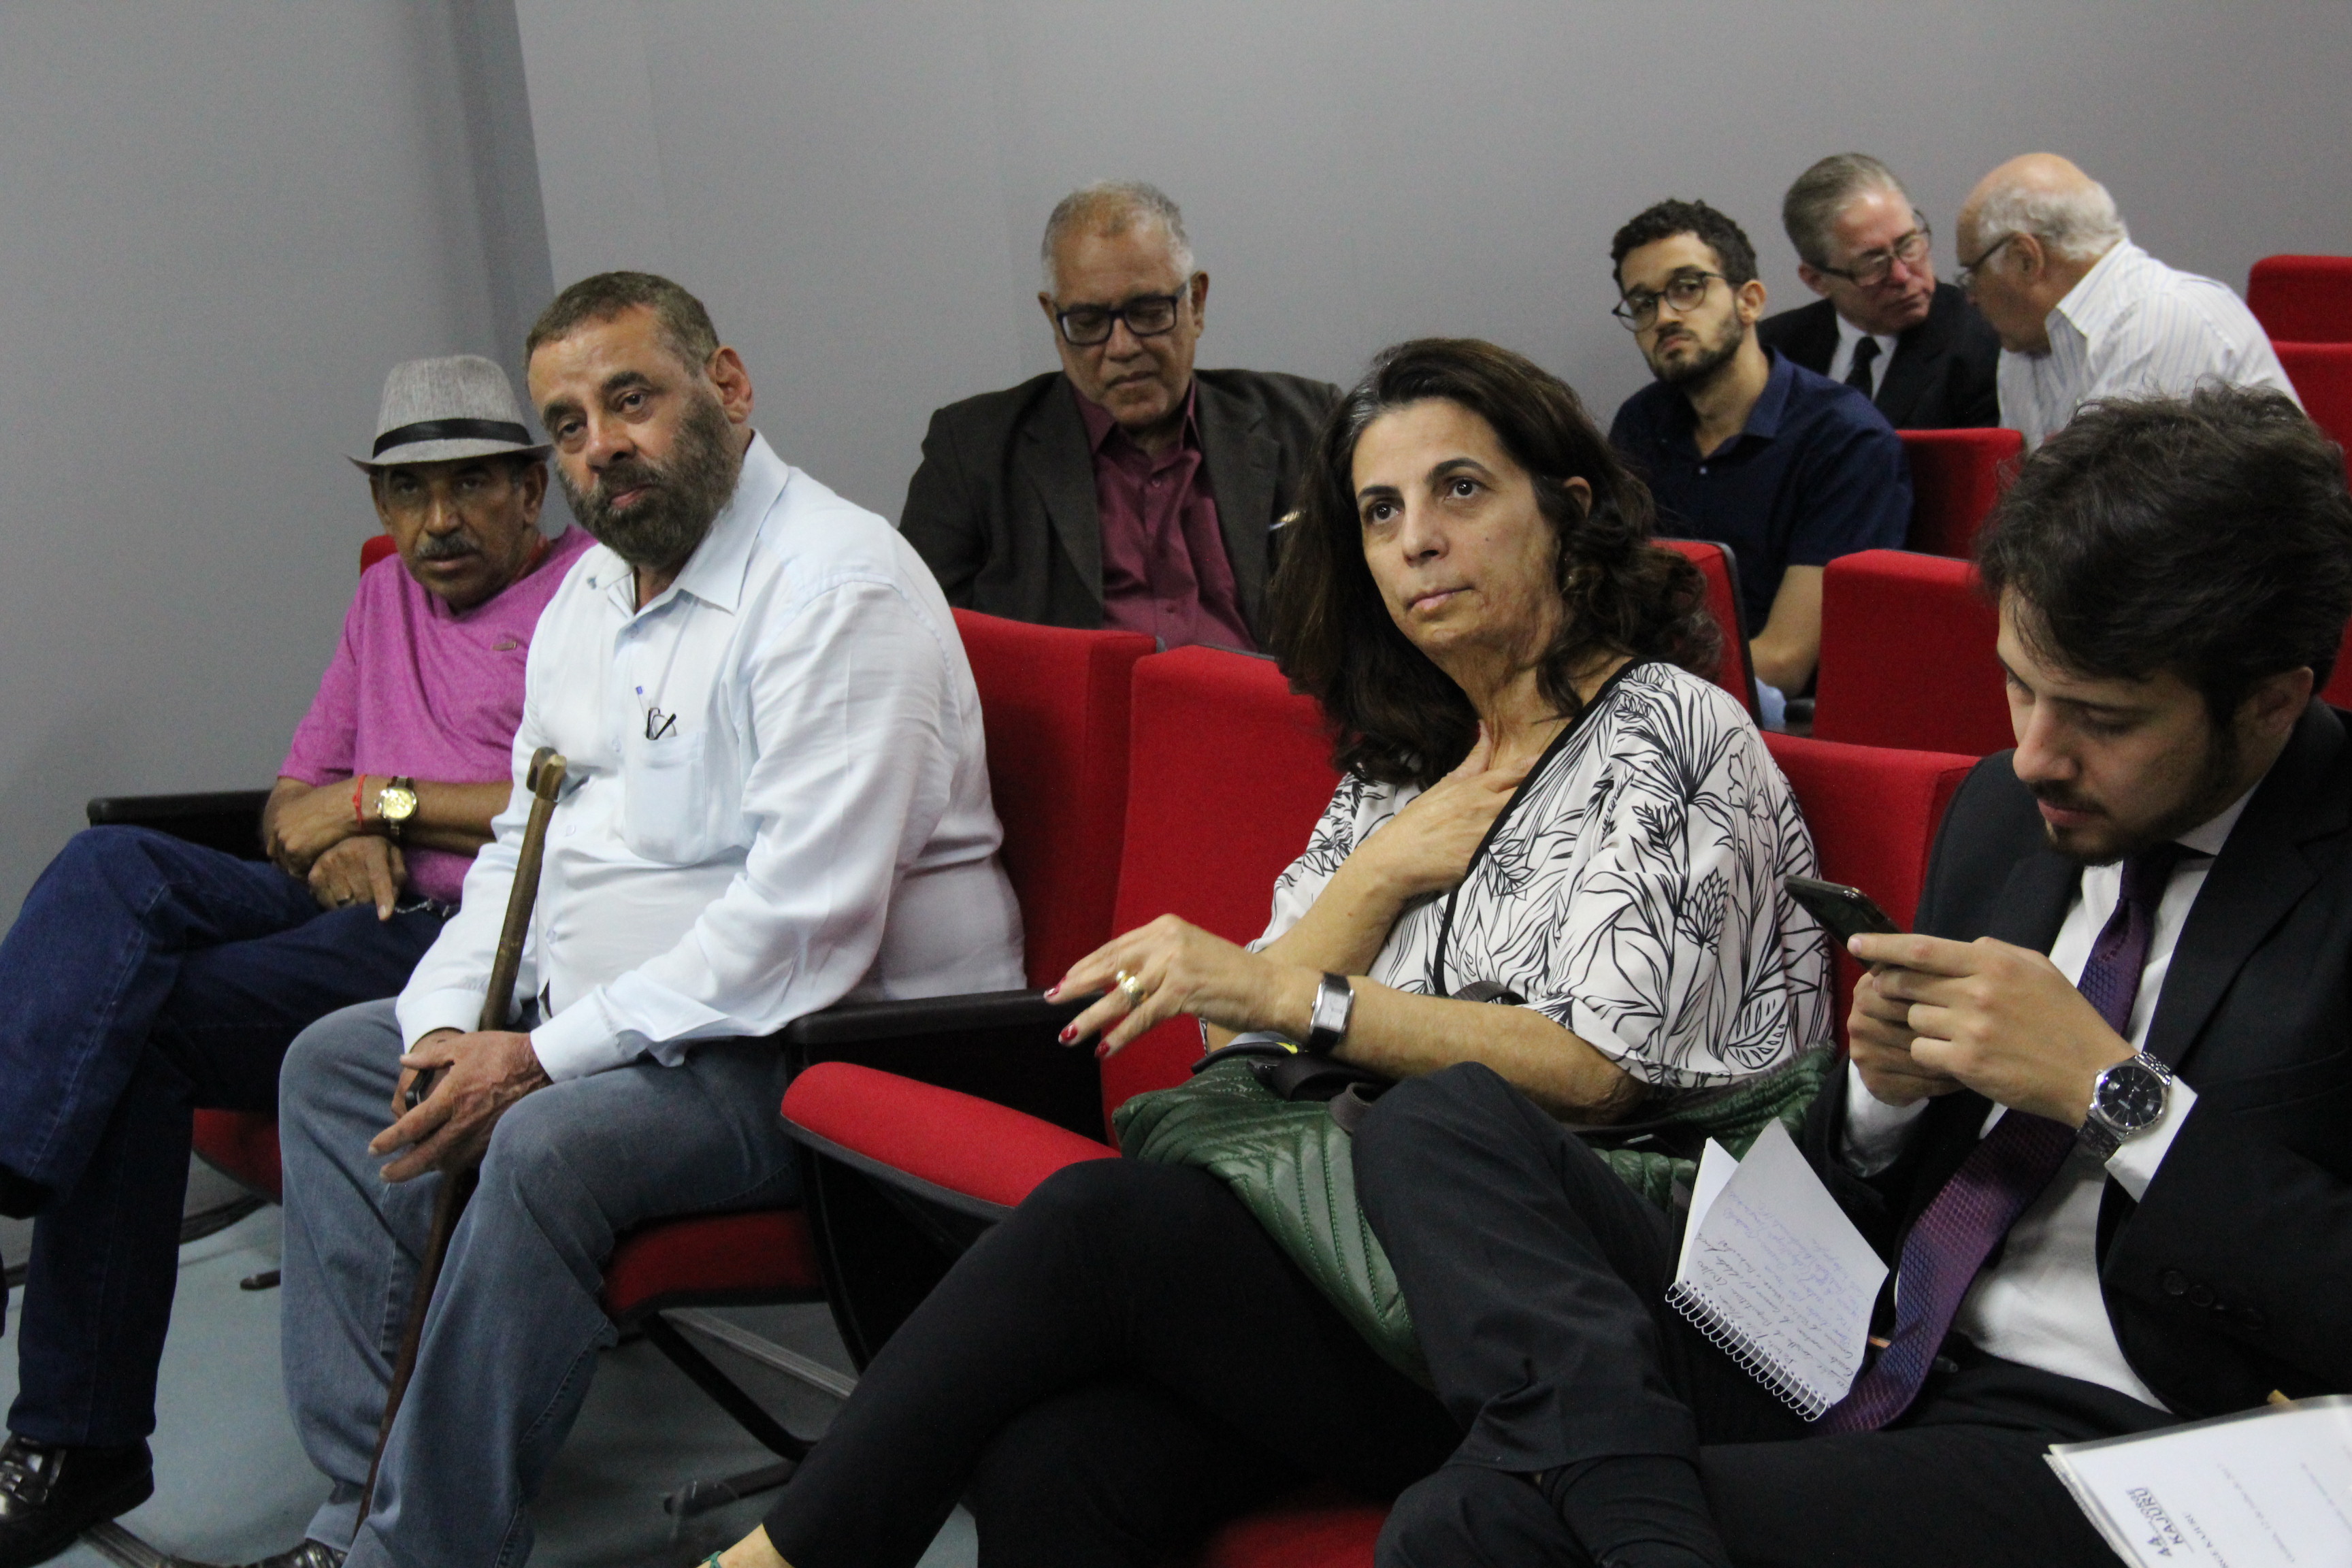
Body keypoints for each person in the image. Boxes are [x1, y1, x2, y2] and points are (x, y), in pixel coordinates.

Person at [690, 339, 1835, 1568]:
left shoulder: (1670, 729)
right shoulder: (1411, 758)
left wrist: (1297, 989)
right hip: (1378, 1266)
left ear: (1566, 510)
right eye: (1380, 511)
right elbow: (1246, 1034)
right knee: (1057, 1458)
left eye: (1459, 489)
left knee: (1101, 1225)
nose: (1417, 540)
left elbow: (1595, 1071)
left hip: (1589, 1311)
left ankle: (786, 1555)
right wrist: (1380, 872)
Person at [1339, 385, 2352, 1568]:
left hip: (2108, 1429)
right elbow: (1850, 1193)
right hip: (1857, 1335)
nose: (2033, 752)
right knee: (1437, 1119)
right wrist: (1881, 1096)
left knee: (1472, 1520)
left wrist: (2113, 1093)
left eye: (2104, 719)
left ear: (2272, 701)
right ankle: (1631, 1504)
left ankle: (1610, 1495)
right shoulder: (2006, 809)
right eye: (2019, 685)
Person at [256, 273, 1024, 1568]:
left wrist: (536, 1056)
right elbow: (523, 846)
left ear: (727, 386)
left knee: (545, 1141)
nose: (599, 447)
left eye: (631, 401)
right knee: (336, 1064)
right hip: (634, 1030)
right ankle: (362, 1506)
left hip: (830, 1053)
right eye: (567, 424)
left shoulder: (832, 588)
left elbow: (802, 931)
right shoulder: (594, 598)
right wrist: (446, 1024)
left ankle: (421, 1551)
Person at [0, 355, 587, 1568]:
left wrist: (377, 804)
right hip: (346, 902)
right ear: (379, 503)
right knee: (110, 863)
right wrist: (326, 836)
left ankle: (73, 1437)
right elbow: (290, 799)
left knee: (134, 1037)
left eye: (473, 484)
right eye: (409, 491)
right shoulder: (383, 599)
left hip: (463, 935)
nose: (438, 520)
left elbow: (574, 801)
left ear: (532, 487)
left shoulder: (591, 595)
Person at [898, 180, 1338, 651]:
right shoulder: (971, 455)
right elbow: (913, 643)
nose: (1122, 347)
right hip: (1077, 702)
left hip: (1269, 697)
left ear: (1196, 303)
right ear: (1053, 321)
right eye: (1088, 322)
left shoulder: (1309, 424)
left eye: (1148, 312)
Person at [1606, 199, 1911, 717]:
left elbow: (1786, 660)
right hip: (1653, 700)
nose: (1665, 316)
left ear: (1749, 301)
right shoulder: (1642, 424)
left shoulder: (1844, 438)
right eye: (1642, 303)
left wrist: (1618, 690)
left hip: (1779, 725)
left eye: (1687, 287)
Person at [1958, 152, 2299, 449]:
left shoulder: (2161, 320)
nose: (1970, 297)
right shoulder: (2022, 346)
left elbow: (2111, 499)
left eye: (1974, 273)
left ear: (2026, 259)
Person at [1757, 154, 2002, 429]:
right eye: (1872, 264)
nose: (1901, 275)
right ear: (1816, 280)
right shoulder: (1769, 354)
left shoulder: (1983, 343)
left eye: (1908, 245)